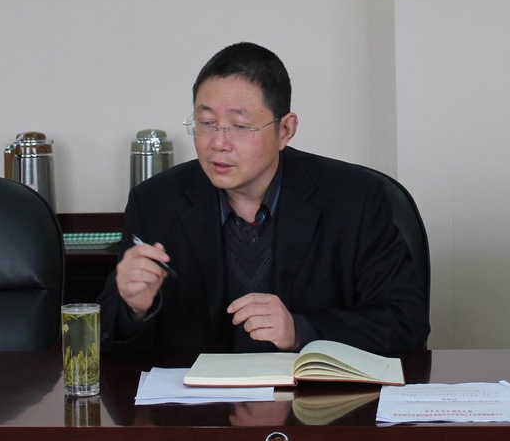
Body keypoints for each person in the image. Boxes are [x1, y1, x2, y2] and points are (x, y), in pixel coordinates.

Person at [98, 42, 429, 354]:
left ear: (285, 130)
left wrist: (301, 331)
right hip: (196, 396)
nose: (218, 143)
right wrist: (134, 308)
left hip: (311, 395)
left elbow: (406, 323)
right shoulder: (156, 202)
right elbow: (105, 344)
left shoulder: (354, 198)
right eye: (206, 123)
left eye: (240, 126)